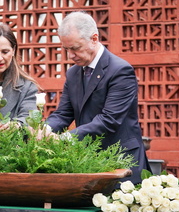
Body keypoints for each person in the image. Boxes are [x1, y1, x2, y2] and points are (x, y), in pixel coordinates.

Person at [45, 11, 151, 185]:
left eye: (75, 48)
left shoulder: (120, 70)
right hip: (90, 162)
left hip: (122, 161)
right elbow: (63, 114)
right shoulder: (73, 73)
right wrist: (46, 130)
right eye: (66, 49)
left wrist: (65, 138)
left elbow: (109, 120)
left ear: (94, 39)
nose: (70, 55)